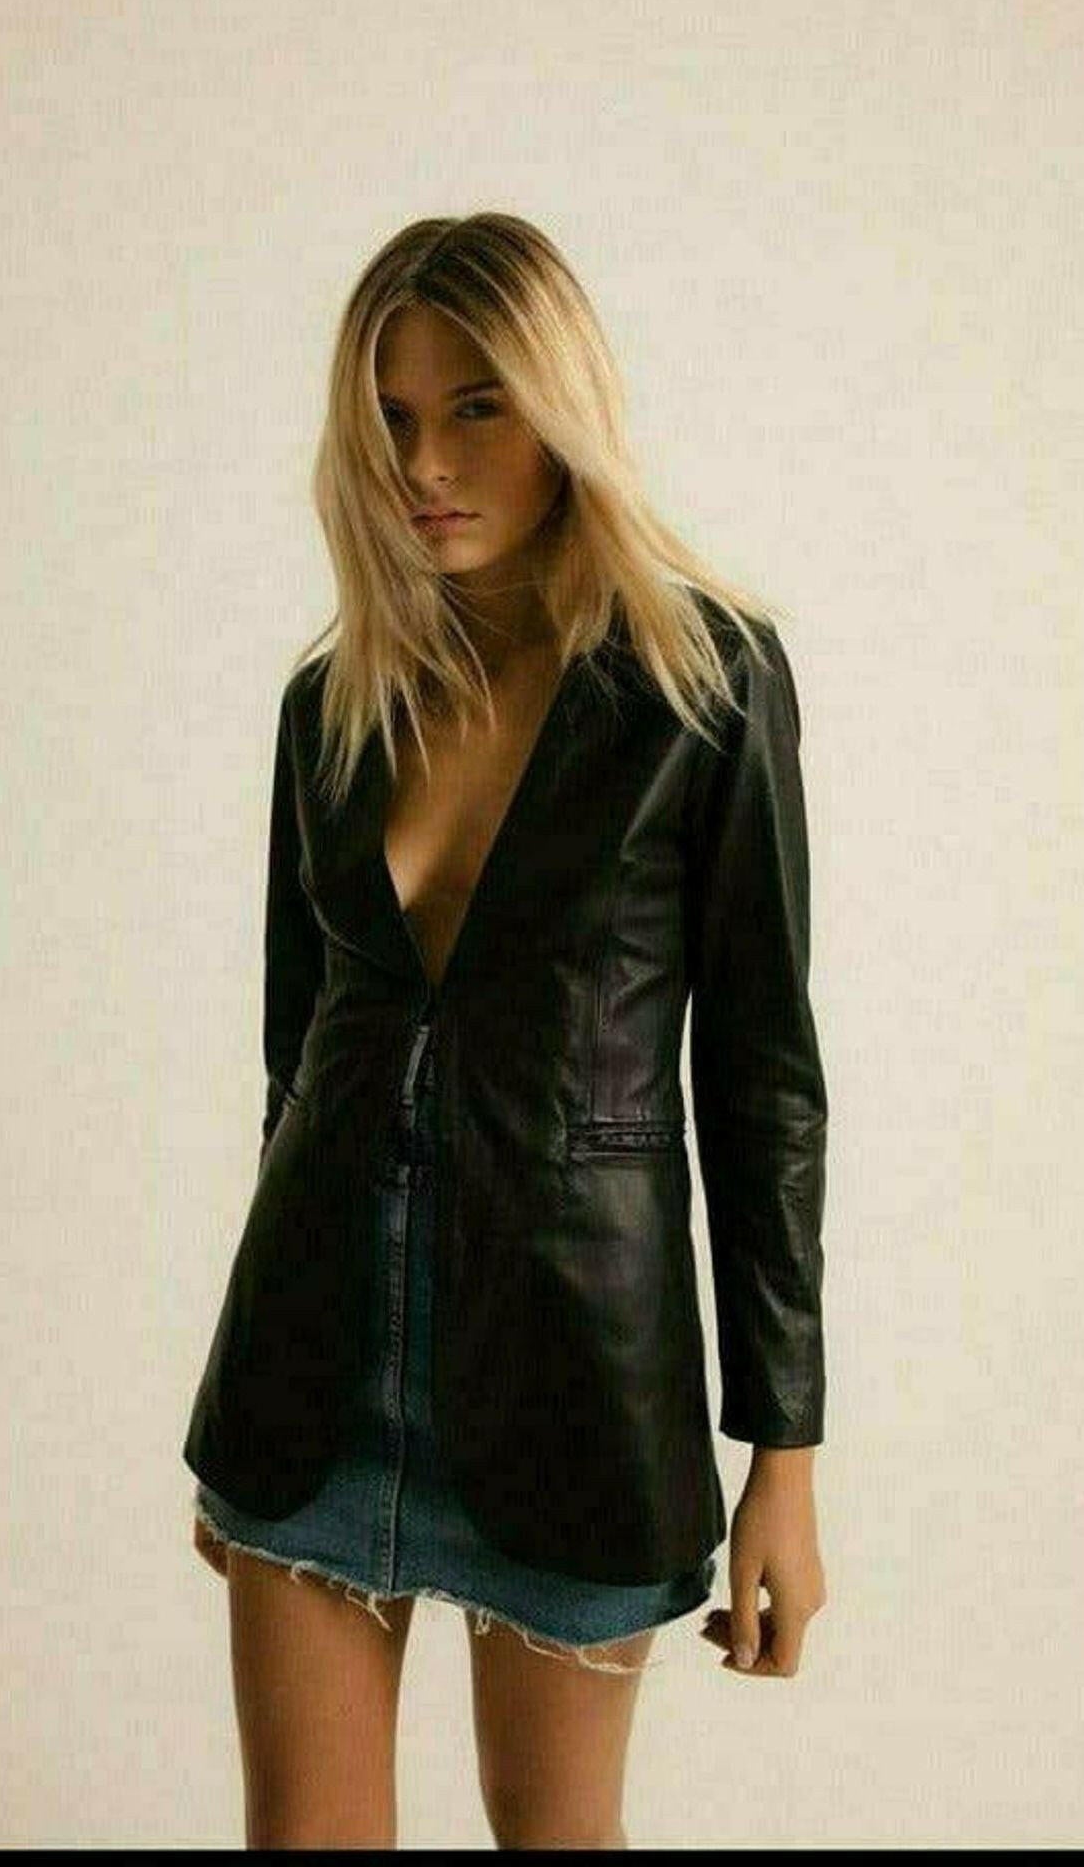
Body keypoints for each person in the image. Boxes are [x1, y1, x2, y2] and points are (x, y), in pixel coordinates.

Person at [184, 213, 829, 1848]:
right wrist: (250, 1415)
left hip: (577, 1383)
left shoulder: (701, 684)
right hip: (310, 1386)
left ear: (561, 405)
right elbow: (296, 1062)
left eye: (476, 407)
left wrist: (784, 1456)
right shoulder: (335, 703)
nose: (426, 462)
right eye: (392, 417)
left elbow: (762, 1083)